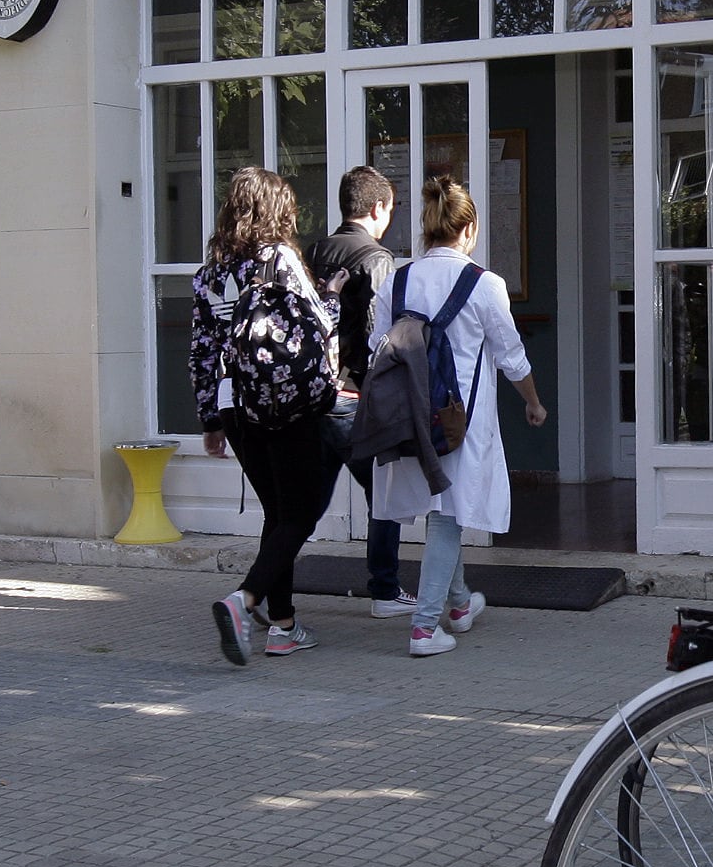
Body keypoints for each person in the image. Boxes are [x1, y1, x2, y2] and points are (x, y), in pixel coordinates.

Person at [370, 175, 546, 658]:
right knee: (449, 517)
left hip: (408, 419)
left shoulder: (397, 281)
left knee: (444, 514)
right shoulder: (484, 284)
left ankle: (460, 604)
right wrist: (533, 402)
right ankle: (425, 627)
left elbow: (376, 348)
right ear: (468, 230)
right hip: (458, 423)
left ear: (428, 228)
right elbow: (512, 357)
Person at [186, 165, 342, 664]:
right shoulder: (280, 259)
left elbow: (202, 350)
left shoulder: (211, 270)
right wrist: (334, 296)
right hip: (284, 401)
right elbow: (317, 328)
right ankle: (244, 600)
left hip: (236, 406)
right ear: (279, 210)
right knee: (300, 511)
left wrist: (211, 420)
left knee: (277, 511)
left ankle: (283, 626)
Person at [308, 165, 408, 613]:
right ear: (377, 207)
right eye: (390, 207)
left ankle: (265, 594)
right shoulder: (375, 257)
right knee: (384, 494)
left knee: (304, 505)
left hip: (311, 395)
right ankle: (384, 589)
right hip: (352, 397)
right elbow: (377, 335)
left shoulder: (313, 250)